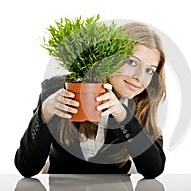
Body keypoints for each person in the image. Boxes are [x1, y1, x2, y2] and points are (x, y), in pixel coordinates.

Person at [14, 22, 167, 179]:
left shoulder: (142, 103)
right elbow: (26, 168)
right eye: (132, 62)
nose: (139, 77)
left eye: (149, 70)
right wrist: (44, 112)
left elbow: (153, 169)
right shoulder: (59, 89)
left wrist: (122, 115)